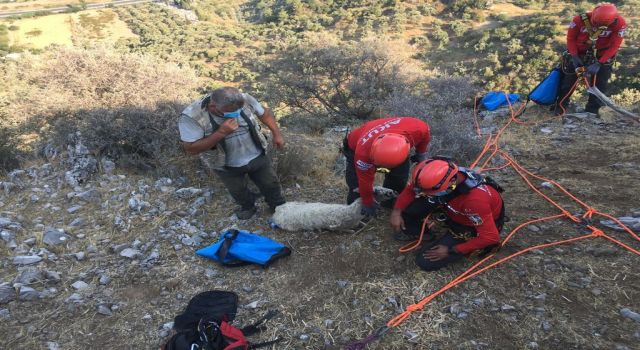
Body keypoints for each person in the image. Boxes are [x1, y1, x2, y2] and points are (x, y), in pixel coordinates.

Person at [178, 87, 286, 220]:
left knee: (270, 183)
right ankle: (248, 207)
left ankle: (278, 206)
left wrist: (277, 134)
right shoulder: (192, 115)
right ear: (213, 105)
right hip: (225, 164)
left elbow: (265, 114)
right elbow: (190, 148)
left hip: (256, 154)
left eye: (238, 111)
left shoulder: (244, 98)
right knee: (238, 190)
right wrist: (221, 133)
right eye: (230, 113)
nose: (236, 114)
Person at [390, 158, 505, 271]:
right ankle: (424, 233)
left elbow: (491, 237)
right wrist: (396, 211)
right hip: (452, 208)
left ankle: (451, 240)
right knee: (408, 209)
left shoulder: (475, 201)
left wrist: (452, 250)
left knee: (424, 261)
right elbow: (411, 190)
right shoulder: (435, 173)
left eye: (429, 191)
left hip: (468, 223)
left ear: (451, 184)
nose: (424, 193)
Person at [343, 117, 431, 217]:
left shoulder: (419, 128)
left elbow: (425, 137)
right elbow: (364, 181)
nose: (383, 168)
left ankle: (390, 203)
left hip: (395, 147)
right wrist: (367, 202)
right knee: (356, 184)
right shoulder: (363, 154)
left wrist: (421, 153)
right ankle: (354, 212)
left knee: (399, 178)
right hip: (357, 144)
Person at [554, 3, 627, 116]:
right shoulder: (579, 20)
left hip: (603, 56)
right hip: (579, 54)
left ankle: (592, 111)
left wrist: (600, 63)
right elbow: (571, 38)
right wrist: (574, 57)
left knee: (599, 84)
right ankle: (560, 107)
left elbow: (615, 46)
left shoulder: (619, 24)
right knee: (568, 82)